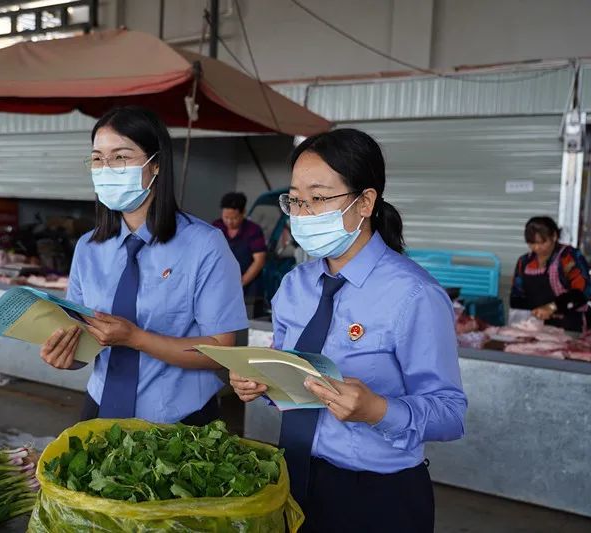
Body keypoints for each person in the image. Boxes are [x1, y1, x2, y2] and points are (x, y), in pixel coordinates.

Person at [229, 129, 467, 533]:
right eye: (297, 200)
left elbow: (450, 413)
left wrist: (378, 410)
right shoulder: (295, 285)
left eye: (318, 198)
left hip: (375, 497)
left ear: (366, 202)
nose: (303, 213)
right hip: (290, 475)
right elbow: (289, 375)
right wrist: (261, 384)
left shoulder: (413, 295)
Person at [39, 106, 248, 425]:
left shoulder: (204, 245)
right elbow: (84, 340)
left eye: (121, 157)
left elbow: (221, 349)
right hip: (100, 408)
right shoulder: (88, 248)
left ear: (156, 165)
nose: (106, 168)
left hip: (180, 422)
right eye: (97, 158)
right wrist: (65, 356)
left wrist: (137, 338)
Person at [510, 216, 591, 332]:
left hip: (570, 325)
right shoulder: (524, 262)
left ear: (554, 236)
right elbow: (516, 297)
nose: (536, 248)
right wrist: (528, 316)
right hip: (533, 326)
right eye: (531, 243)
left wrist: (553, 307)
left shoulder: (569, 257)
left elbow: (584, 292)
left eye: (542, 242)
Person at [212, 192, 267, 314]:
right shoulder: (216, 227)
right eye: (226, 217)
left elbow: (259, 260)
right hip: (221, 285)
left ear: (243, 213)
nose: (229, 222)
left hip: (249, 286)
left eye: (234, 218)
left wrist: (240, 283)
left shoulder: (253, 230)